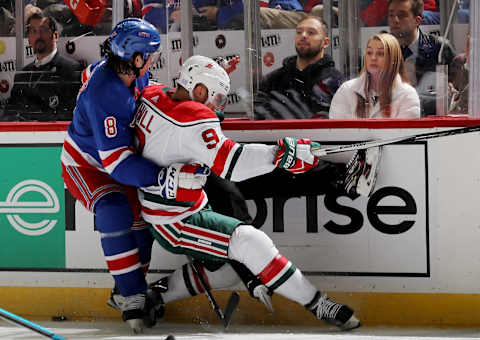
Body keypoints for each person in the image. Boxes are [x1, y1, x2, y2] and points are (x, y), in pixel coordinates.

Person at [131, 55, 383, 331]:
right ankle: (319, 304)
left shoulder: (153, 94)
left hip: (175, 204)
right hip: (175, 220)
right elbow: (233, 165)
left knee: (226, 272)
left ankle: (154, 294)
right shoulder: (193, 118)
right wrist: (280, 154)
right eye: (215, 97)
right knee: (248, 240)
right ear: (200, 90)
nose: (217, 106)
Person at [60, 18, 207, 333]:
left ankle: (126, 291)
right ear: (136, 57)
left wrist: (200, 97)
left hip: (117, 161)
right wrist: (165, 176)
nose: (153, 59)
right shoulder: (107, 94)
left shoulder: (129, 74)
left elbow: (156, 103)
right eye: (150, 54)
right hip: (85, 166)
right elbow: (116, 165)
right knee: (114, 211)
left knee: (142, 221)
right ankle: (130, 295)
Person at [255, 15, 344, 119]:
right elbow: (258, 119)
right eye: (299, 32)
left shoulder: (335, 81)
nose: (303, 36)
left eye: (311, 32)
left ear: (326, 42)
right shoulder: (273, 79)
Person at [2, 12, 83, 121]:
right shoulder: (22, 75)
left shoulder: (71, 69)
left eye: (43, 30)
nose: (38, 36)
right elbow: (10, 113)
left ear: (55, 36)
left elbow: (72, 114)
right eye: (33, 31)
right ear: (29, 39)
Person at [387, 0, 456, 116]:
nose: (395, 20)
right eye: (391, 15)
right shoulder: (382, 51)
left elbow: (459, 93)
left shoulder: (440, 47)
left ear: (417, 20)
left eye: (402, 15)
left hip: (434, 124)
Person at [329, 33, 420, 119]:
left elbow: (406, 133)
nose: (373, 58)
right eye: (369, 53)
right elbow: (336, 130)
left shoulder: (407, 94)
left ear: (393, 59)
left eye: (380, 54)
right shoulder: (347, 90)